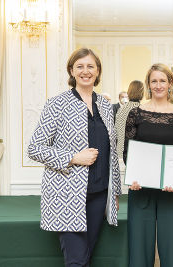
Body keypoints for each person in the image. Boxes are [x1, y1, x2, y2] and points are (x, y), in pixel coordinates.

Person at [28, 48, 121, 267]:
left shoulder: (106, 107)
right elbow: (34, 148)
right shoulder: (57, 104)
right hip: (66, 195)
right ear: (71, 71)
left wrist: (114, 191)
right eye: (79, 66)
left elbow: (112, 153)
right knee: (77, 261)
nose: (85, 71)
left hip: (99, 195)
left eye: (90, 66)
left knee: (85, 256)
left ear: (98, 71)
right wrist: (73, 157)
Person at [123, 63, 173, 267]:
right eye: (154, 81)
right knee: (139, 251)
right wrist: (133, 176)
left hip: (170, 190)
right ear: (148, 84)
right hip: (140, 187)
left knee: (170, 252)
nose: (158, 85)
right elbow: (128, 152)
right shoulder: (136, 114)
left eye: (163, 80)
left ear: (170, 84)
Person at [115, 80, 144, 158]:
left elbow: (116, 132)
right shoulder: (141, 110)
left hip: (119, 152)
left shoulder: (121, 109)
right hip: (133, 153)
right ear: (142, 92)